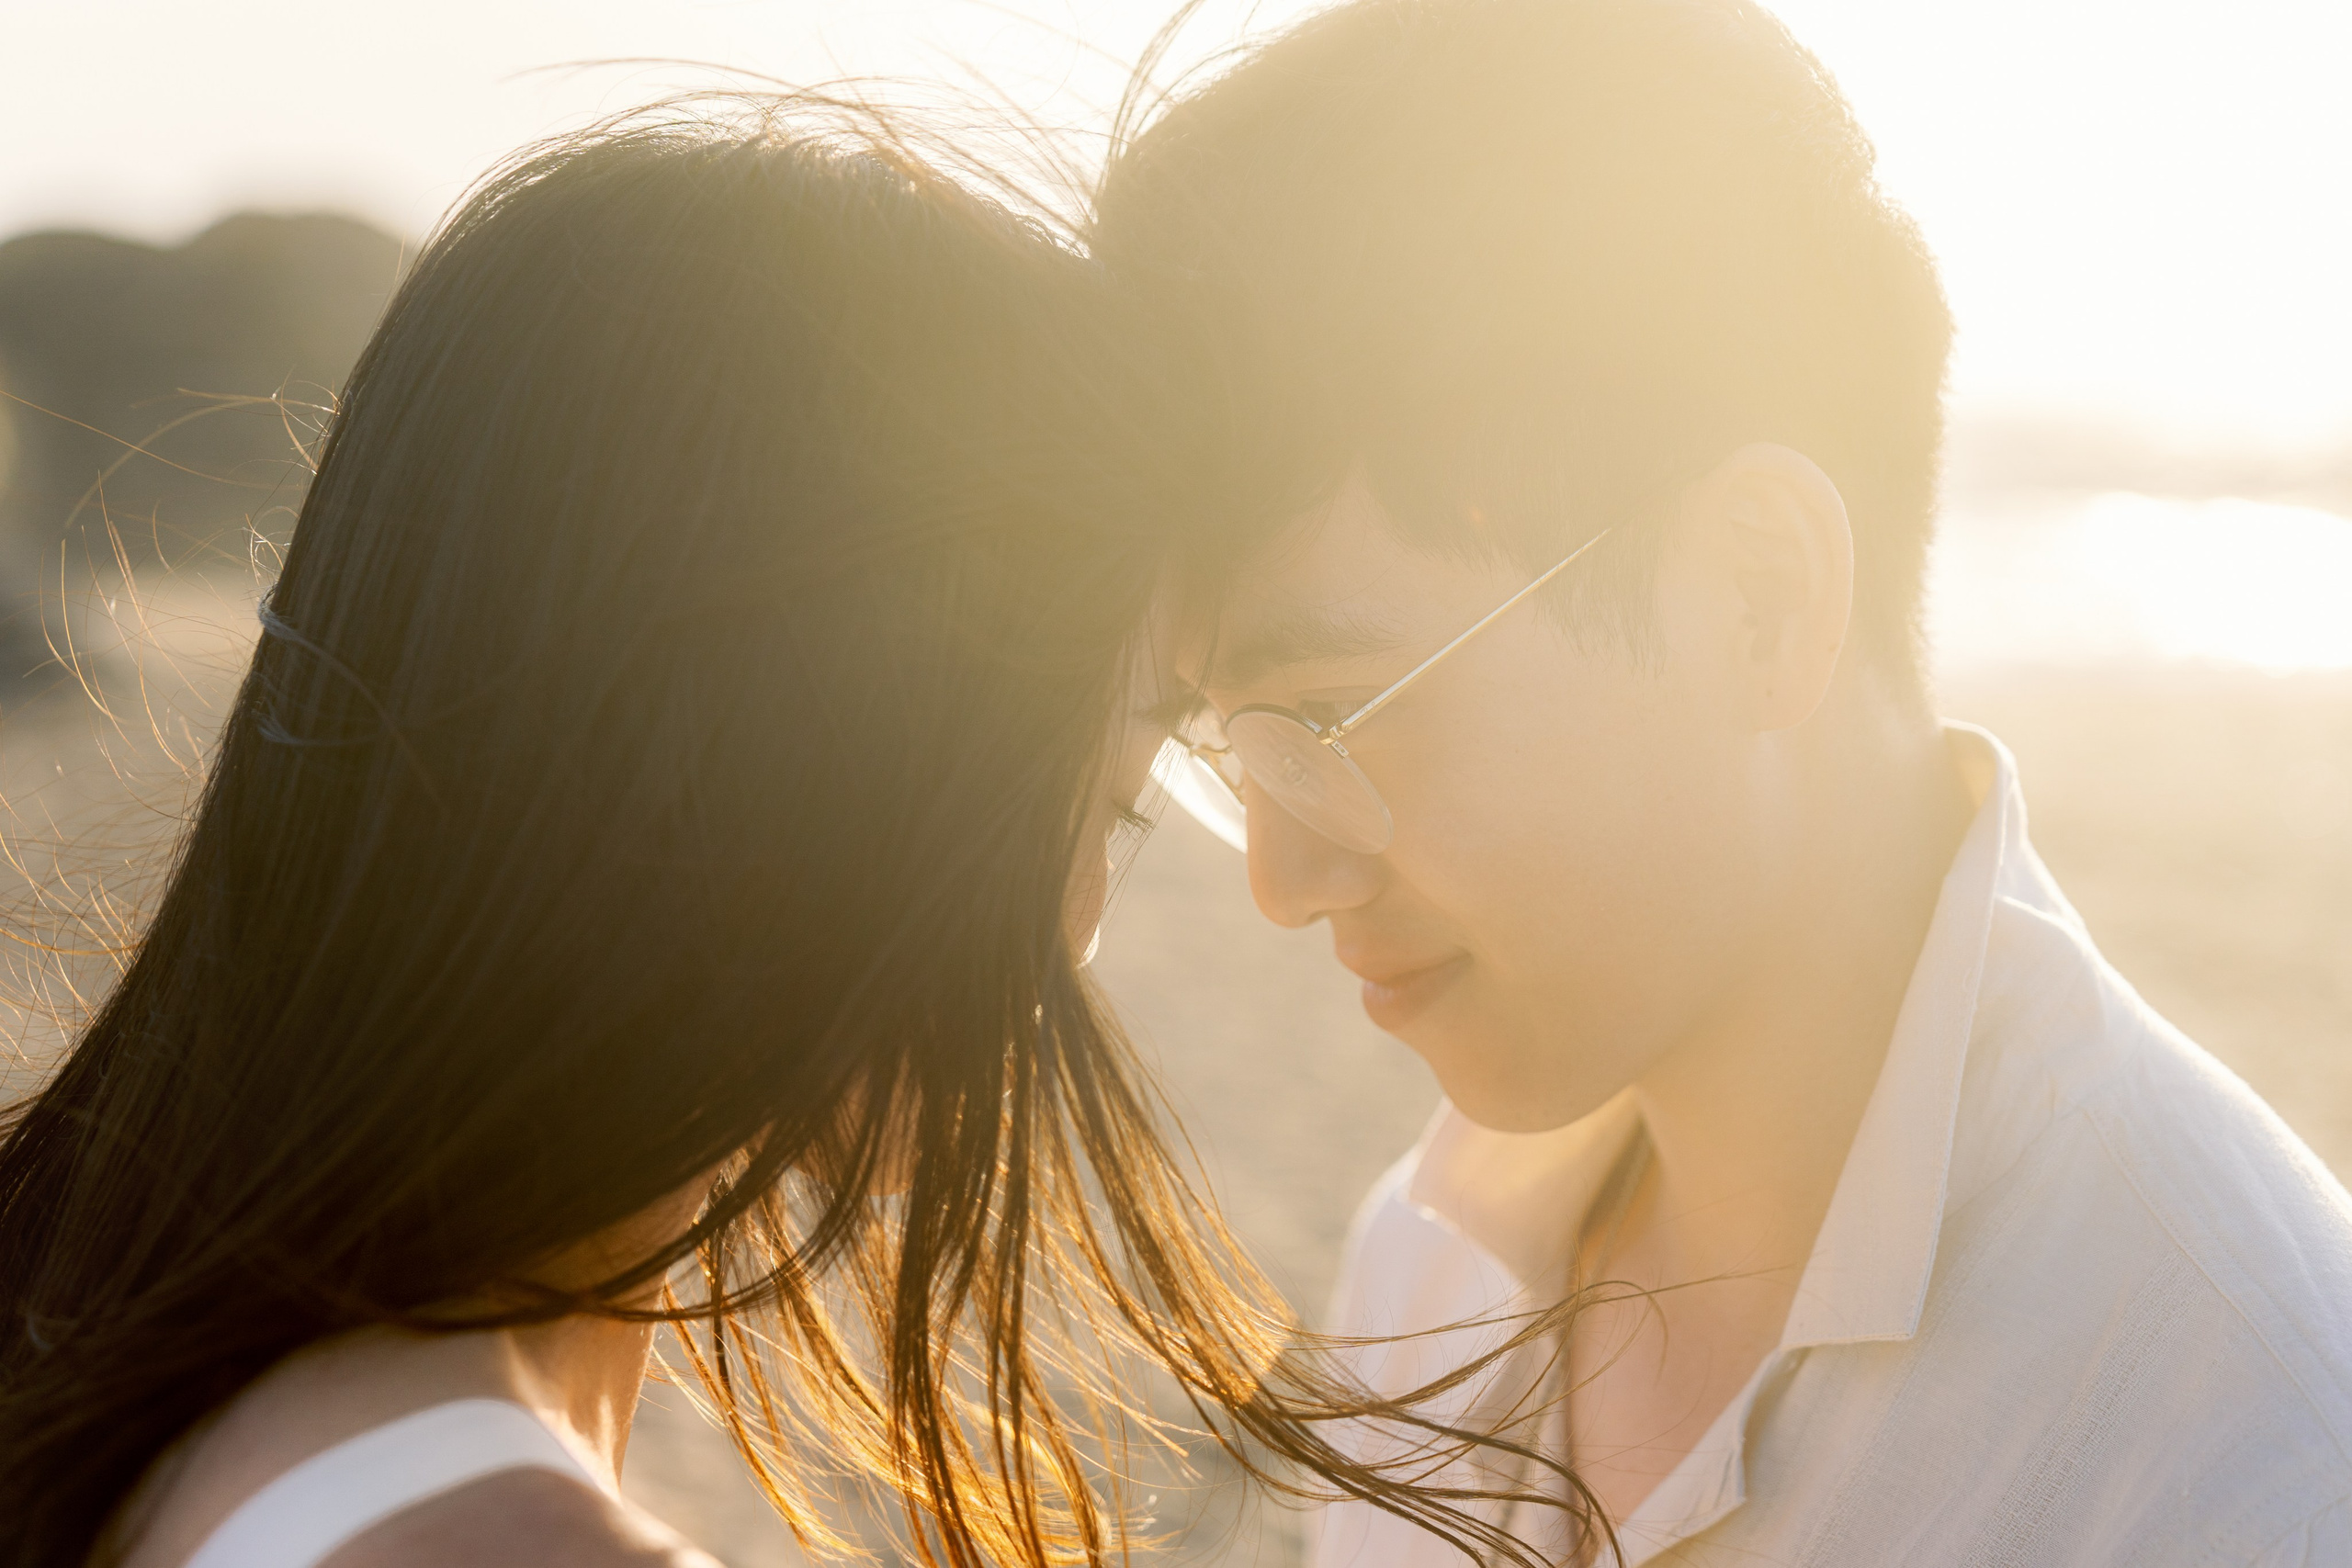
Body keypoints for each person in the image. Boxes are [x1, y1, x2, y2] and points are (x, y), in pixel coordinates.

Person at [0, 110, 1578, 1568]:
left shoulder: (106, 1320)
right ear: (830, 765)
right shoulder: (496, 1536)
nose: (1079, 927)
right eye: (1109, 798)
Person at [1095, 0, 2352, 1562]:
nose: (1281, 880)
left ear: (1758, 601)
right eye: (1236, 742)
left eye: (1334, 717)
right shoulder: (1425, 1273)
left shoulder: (2253, 1464)